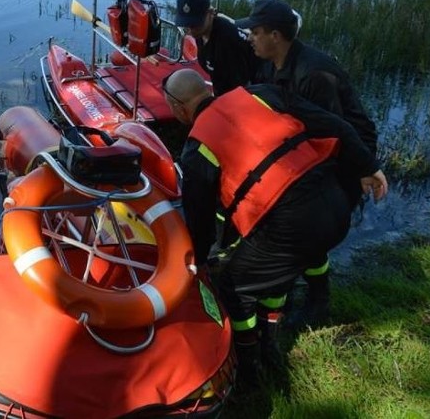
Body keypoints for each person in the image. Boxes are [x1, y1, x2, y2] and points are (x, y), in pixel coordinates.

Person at [162, 68, 387, 387]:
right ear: (207, 89)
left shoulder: (197, 148)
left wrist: (198, 263)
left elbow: (199, 222)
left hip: (292, 226)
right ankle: (275, 337)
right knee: (273, 269)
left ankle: (248, 366)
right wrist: (367, 166)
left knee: (234, 286)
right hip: (335, 204)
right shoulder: (261, 93)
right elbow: (332, 123)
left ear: (178, 107)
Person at [236, 0, 379, 327]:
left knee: (310, 227)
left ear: (276, 35)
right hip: (310, 151)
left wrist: (364, 170)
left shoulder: (315, 74)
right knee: (303, 230)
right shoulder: (270, 63)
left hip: (343, 154)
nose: (250, 38)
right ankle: (299, 292)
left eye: (255, 32)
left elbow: (333, 132)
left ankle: (316, 300)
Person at [174, 0, 260, 96]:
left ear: (210, 13)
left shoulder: (227, 41)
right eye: (187, 25)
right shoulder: (202, 32)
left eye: (195, 25)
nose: (190, 30)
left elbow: (239, 86)